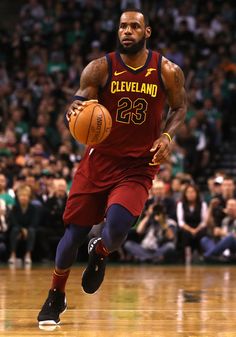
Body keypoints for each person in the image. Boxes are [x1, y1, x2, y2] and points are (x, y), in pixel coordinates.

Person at [37, 8, 187, 326]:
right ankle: (55, 295)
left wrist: (167, 135)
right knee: (74, 233)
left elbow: (180, 105)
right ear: (117, 31)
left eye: (134, 26)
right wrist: (73, 110)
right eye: (122, 26)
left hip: (138, 164)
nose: (127, 31)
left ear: (147, 32)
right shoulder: (99, 69)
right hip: (99, 160)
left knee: (117, 228)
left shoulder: (167, 70)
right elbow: (79, 104)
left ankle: (101, 251)